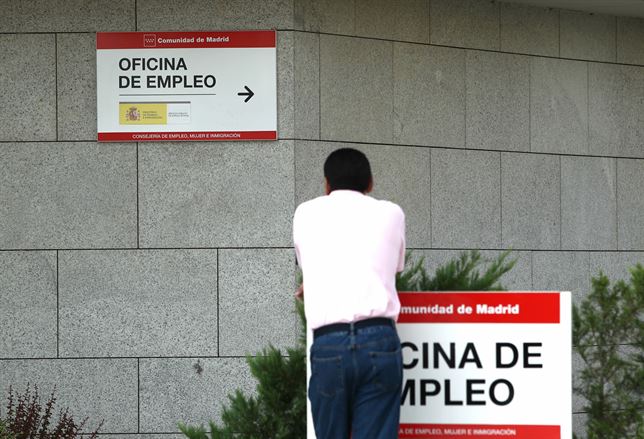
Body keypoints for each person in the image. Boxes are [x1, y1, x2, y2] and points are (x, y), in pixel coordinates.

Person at [293, 148, 406, 439]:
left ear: (327, 184)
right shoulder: (392, 213)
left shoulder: (305, 213)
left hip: (329, 342)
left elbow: (309, 265)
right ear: (370, 183)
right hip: (379, 339)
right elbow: (392, 268)